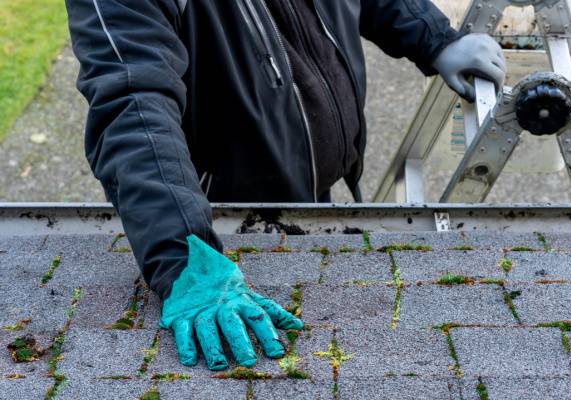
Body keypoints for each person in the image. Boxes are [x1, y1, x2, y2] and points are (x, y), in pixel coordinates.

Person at [65, 0, 506, 370]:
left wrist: (432, 36)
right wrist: (183, 253)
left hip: (313, 189)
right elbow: (132, 103)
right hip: (221, 223)